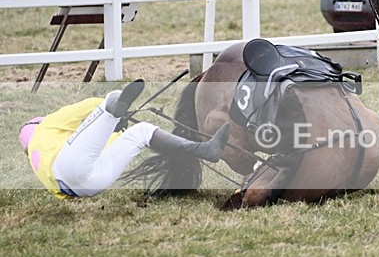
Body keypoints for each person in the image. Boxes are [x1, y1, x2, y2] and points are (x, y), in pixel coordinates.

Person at [18, 79, 230, 199]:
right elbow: (86, 106)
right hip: (71, 167)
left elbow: (95, 151)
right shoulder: (46, 126)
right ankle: (116, 104)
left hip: (86, 186)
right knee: (110, 99)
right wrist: (111, 111)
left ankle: (206, 150)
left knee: (141, 131)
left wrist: (114, 128)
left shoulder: (39, 158)